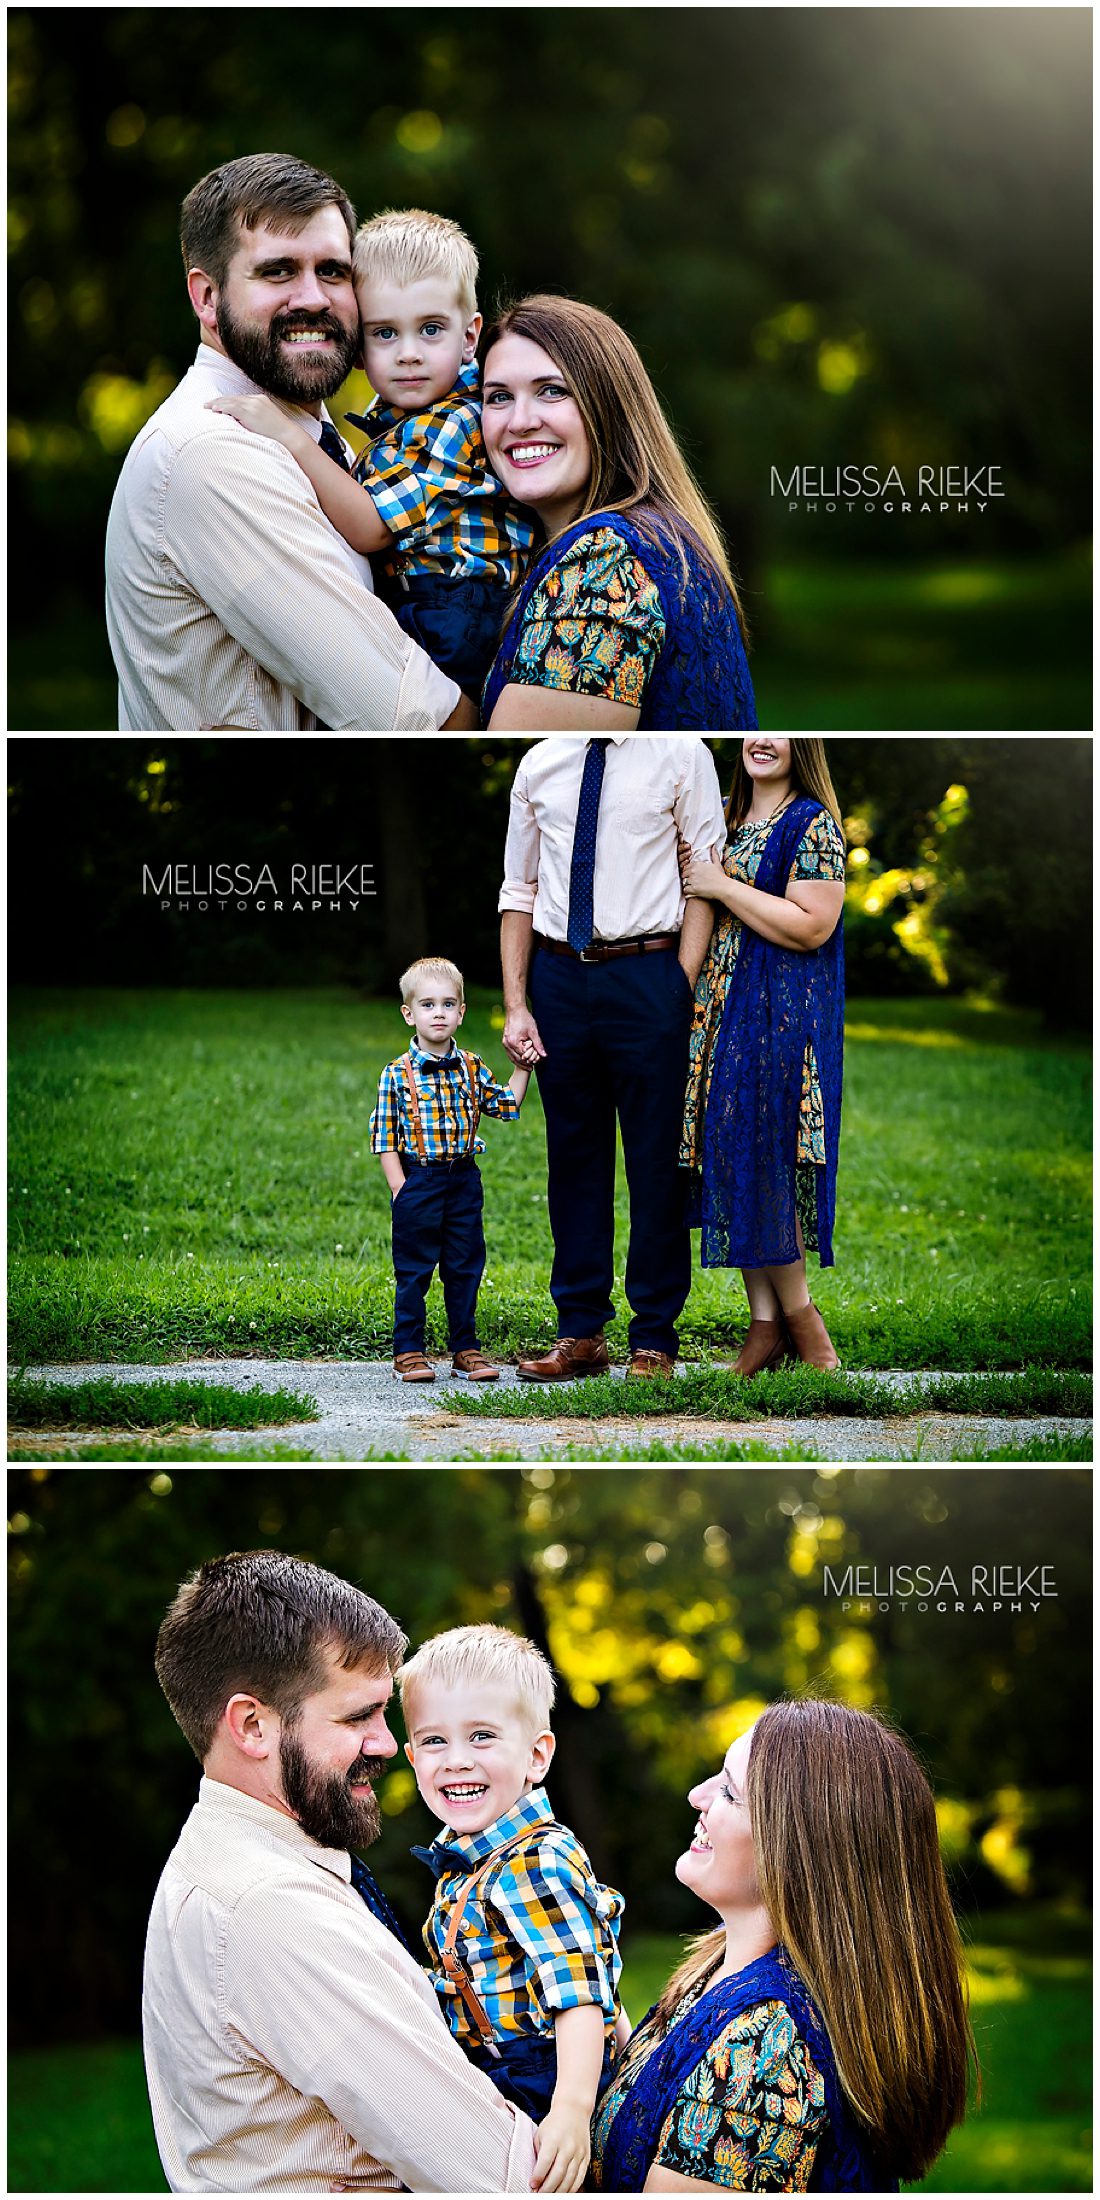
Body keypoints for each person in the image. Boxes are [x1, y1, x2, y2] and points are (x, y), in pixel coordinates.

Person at [144, 1550, 537, 2192]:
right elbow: (498, 2176)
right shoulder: (271, 1908)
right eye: (359, 1717)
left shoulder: (232, 1856)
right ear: (252, 1725)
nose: (389, 1744)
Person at [105, 153, 474, 731]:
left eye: (333, 271)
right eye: (277, 271)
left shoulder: (339, 444)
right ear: (206, 298)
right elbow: (407, 715)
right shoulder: (212, 455)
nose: (314, 298)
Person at [591, 1700, 975, 2193]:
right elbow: (646, 2100)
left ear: (794, 1849)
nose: (697, 1795)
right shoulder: (721, 1972)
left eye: (729, 1792)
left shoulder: (766, 2046)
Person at [208, 208, 536, 701]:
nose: (408, 353)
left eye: (430, 330)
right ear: (359, 349)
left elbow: (371, 527)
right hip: (430, 603)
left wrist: (291, 438)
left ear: (469, 336)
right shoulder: (400, 418)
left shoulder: (455, 423)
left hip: (454, 610)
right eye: (385, 333)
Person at [499, 736, 727, 1380]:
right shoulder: (540, 761)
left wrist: (677, 983)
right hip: (558, 978)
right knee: (573, 1159)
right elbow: (519, 889)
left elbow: (703, 877)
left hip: (647, 973)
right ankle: (581, 1334)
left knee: (656, 1161)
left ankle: (653, 1336)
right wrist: (518, 1004)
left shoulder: (681, 755)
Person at [399, 1624, 625, 2191]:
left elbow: (579, 1994)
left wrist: (573, 2112)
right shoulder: (475, 1862)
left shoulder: (535, 1859)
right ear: (410, 1757)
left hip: (543, 2079)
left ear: (537, 1755)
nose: (455, 1760)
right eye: (433, 1741)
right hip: (497, 2070)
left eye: (481, 1737)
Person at [478, 295, 758, 731]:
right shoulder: (657, 539)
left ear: (608, 407)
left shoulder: (604, 563)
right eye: (498, 397)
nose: (519, 421)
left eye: (552, 391)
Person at [680, 737, 846, 1374]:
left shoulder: (812, 822)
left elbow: (811, 925)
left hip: (777, 1017)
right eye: (754, 730)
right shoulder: (722, 817)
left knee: (770, 1159)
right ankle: (764, 1324)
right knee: (731, 1155)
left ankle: (806, 1326)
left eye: (781, 731)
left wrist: (722, 885)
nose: (762, 740)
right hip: (716, 1017)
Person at [369, 956, 531, 1383]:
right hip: (417, 1180)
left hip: (462, 1180)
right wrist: (399, 1187)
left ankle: (466, 1350)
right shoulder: (395, 1074)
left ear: (461, 1012)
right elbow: (384, 1135)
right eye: (426, 1005)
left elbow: (507, 1105)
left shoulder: (473, 1067)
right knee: (414, 1269)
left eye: (447, 1004)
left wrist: (522, 1069)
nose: (437, 1013)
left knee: (464, 1265)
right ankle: (409, 1350)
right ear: (409, 1014)